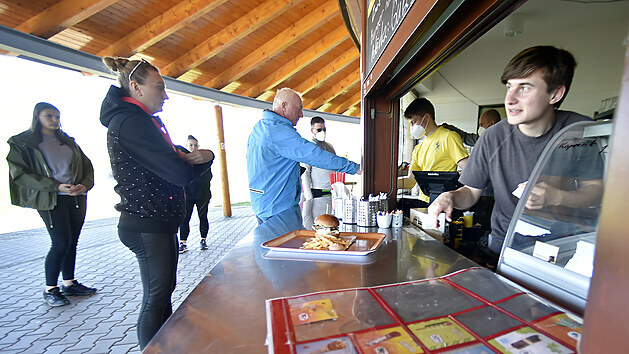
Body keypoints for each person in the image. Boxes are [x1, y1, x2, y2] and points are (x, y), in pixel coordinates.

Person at [428, 45, 600, 258]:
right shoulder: (492, 137)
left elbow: (596, 190)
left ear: (555, 94)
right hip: (506, 245)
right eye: (509, 87)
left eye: (525, 88)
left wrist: (557, 196)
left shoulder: (579, 132)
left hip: (566, 246)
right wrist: (450, 197)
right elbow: (471, 192)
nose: (509, 99)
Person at [100, 57, 212, 349]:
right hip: (145, 223)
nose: (165, 94)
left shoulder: (143, 121)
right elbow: (177, 172)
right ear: (136, 87)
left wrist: (203, 158)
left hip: (158, 222)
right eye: (159, 87)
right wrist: (197, 163)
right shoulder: (130, 122)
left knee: (164, 293)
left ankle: (167, 345)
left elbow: (173, 160)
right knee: (156, 298)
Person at [7, 102, 96, 307]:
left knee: (72, 240)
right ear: (37, 116)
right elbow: (20, 174)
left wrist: (84, 185)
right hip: (51, 199)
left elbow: (87, 166)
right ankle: (50, 289)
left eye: (57, 116)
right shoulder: (23, 143)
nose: (55, 121)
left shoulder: (68, 142)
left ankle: (69, 283)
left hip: (75, 197)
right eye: (49, 116)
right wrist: (55, 186)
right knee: (60, 242)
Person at [247, 88, 360, 224]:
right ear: (284, 106)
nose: (301, 114)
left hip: (263, 204)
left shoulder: (260, 128)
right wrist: (355, 168)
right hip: (277, 209)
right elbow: (314, 155)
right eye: (299, 108)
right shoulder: (277, 131)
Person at [397, 97, 469, 204]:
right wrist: (387, 184)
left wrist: (454, 187)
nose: (412, 127)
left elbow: (469, 168)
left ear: (426, 117)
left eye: (414, 122)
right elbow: (411, 181)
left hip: (443, 204)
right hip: (423, 204)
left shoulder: (449, 137)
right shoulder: (418, 149)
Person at [177, 135, 214, 253]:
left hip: (202, 194)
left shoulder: (204, 161)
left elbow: (208, 177)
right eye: (190, 145)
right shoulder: (183, 161)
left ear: (198, 146)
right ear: (187, 146)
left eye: (195, 145)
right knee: (185, 219)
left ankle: (203, 239)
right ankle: (183, 242)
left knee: (203, 217)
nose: (193, 147)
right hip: (187, 196)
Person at [300, 116, 336, 229]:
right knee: (318, 226)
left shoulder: (330, 147)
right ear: (312, 131)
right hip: (317, 195)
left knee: (331, 225)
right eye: (319, 130)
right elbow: (305, 172)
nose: (322, 132)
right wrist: (308, 196)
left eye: (324, 129)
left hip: (331, 194)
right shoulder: (309, 148)